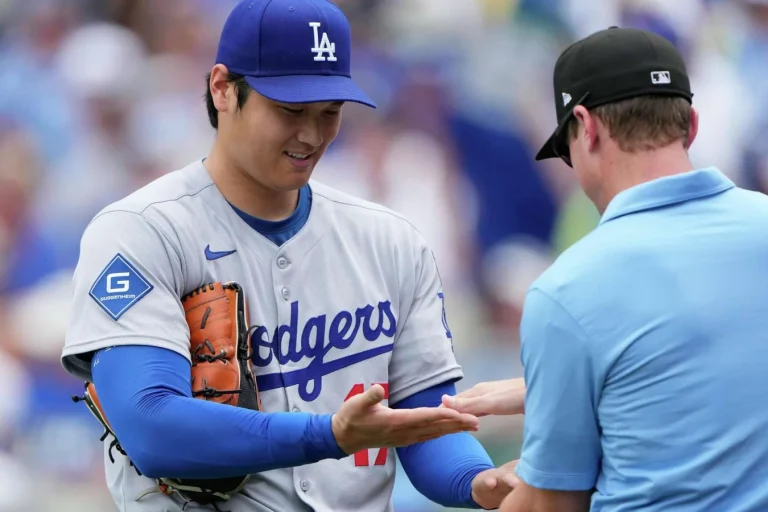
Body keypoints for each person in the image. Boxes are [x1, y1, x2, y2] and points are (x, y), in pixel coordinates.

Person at [59, 1, 519, 511]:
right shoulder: (143, 231)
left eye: (329, 113)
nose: (311, 135)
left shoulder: (390, 240)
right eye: (290, 111)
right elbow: (152, 426)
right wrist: (330, 435)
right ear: (222, 89)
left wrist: (478, 481)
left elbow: (423, 418)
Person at [445, 26, 768, 512]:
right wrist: (554, 392)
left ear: (586, 126)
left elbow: (552, 505)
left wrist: (510, 485)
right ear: (691, 125)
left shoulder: (567, 290)